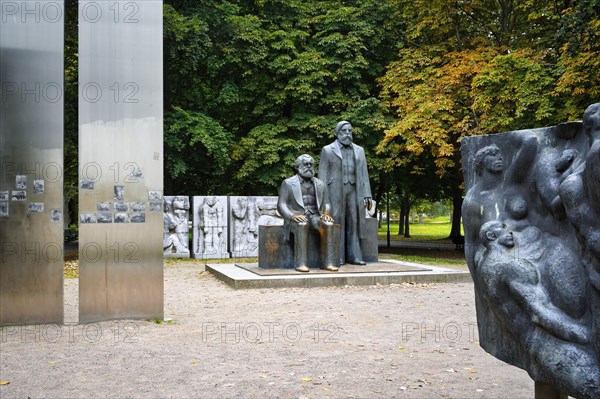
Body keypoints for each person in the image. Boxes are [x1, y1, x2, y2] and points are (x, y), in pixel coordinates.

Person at [319, 121, 372, 265]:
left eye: (350, 131)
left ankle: (354, 256)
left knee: (354, 221)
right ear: (337, 133)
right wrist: (322, 197)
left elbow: (364, 173)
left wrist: (367, 194)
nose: (347, 134)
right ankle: (338, 256)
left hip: (355, 190)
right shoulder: (328, 150)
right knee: (337, 220)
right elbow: (322, 175)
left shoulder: (359, 150)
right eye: (344, 131)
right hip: (334, 190)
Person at [277, 154, 338, 272]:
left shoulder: (321, 184)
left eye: (311, 164)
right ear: (298, 166)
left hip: (315, 215)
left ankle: (328, 263)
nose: (309, 167)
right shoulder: (288, 183)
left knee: (328, 224)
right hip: (296, 217)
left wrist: (326, 213)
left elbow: (326, 203)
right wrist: (292, 216)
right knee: (302, 224)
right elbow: (281, 205)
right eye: (306, 164)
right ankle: (301, 264)